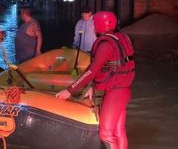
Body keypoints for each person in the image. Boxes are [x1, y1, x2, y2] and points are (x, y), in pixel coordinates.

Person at [56, 11, 135, 149]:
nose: (93, 27)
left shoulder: (105, 45)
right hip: (124, 90)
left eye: (94, 24)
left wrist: (69, 90)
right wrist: (94, 86)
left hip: (115, 93)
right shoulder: (122, 38)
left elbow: (92, 71)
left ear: (100, 25)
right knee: (118, 131)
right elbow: (112, 67)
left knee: (106, 134)